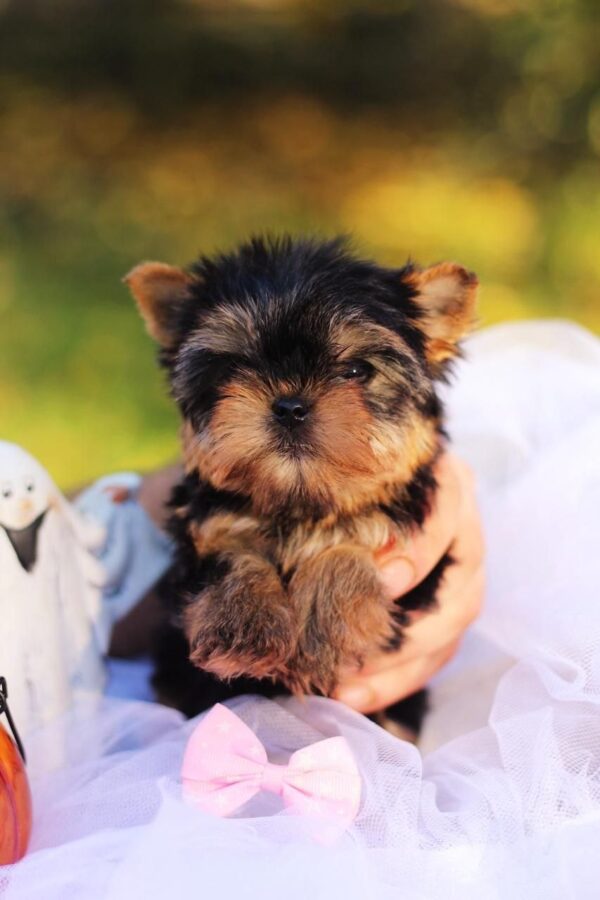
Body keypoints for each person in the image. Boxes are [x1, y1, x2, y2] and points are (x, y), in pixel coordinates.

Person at [110, 450, 484, 716]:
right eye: (239, 370)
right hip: (187, 721)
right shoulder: (215, 524)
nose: (293, 405)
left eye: (354, 371)